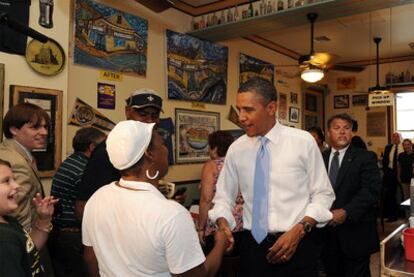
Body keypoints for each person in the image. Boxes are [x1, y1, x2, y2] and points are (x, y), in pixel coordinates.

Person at [208, 77, 335, 276]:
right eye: (239, 109)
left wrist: (299, 230)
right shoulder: (236, 149)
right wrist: (223, 222)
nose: (241, 117)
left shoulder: (302, 142)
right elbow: (223, 198)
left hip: (298, 243)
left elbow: (323, 194)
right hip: (253, 247)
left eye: (248, 110)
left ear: (271, 107)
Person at [82, 120, 229, 276]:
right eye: (163, 145)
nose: (167, 150)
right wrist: (220, 243)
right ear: (149, 153)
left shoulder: (97, 198)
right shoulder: (172, 215)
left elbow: (91, 258)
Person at [75, 88, 184, 219]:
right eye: (143, 114)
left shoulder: (153, 147)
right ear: (127, 111)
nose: (149, 120)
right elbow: (83, 207)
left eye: (154, 116)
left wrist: (164, 202)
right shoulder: (106, 151)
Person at [321, 113, 381, 277]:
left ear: (352, 132)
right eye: (337, 128)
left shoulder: (366, 157)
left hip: (356, 233)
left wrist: (346, 211)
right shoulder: (319, 158)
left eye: (347, 128)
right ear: (328, 133)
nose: (342, 132)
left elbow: (371, 190)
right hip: (326, 235)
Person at [49, 127, 105, 277]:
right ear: (92, 147)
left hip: (60, 232)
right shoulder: (85, 170)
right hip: (72, 235)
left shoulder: (70, 161)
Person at [0, 158, 58, 276]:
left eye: (14, 180)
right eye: (6, 181)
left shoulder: (8, 220)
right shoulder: (4, 241)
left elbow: (29, 249)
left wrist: (44, 220)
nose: (16, 185)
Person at [0, 103, 50, 230]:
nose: (44, 132)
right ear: (14, 130)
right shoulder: (16, 162)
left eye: (45, 127)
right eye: (35, 127)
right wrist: (26, 244)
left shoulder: (11, 151)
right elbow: (15, 213)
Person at [198, 130, 243, 255]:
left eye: (209, 147)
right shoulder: (239, 164)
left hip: (219, 223)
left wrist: (201, 228)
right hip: (242, 223)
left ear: (215, 149)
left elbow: (206, 199)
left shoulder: (211, 166)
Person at [382, 131, 403, 222]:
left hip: (402, 174)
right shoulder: (388, 147)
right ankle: (392, 216)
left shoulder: (405, 146)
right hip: (390, 173)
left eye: (397, 137)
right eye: (393, 137)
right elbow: (385, 161)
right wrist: (386, 172)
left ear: (400, 137)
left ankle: (406, 215)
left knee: (405, 194)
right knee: (391, 195)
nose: (395, 138)